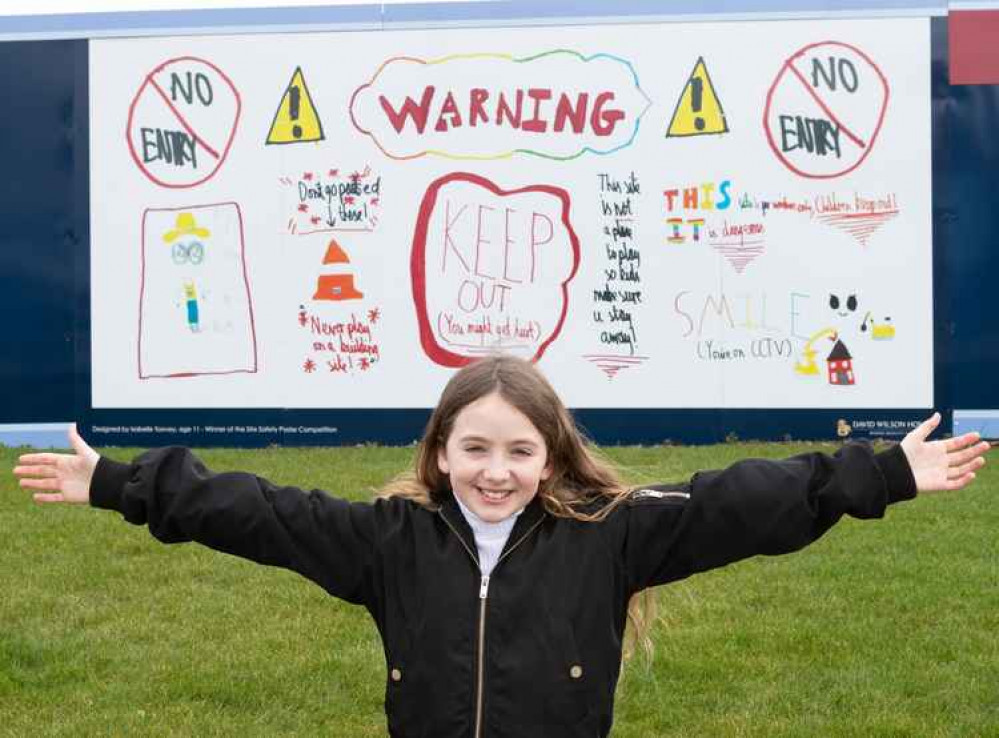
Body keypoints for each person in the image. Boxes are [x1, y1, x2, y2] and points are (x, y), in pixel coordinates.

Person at [13, 355, 989, 738]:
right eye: (474, 447)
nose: (495, 468)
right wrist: (115, 483)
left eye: (519, 449)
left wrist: (885, 475)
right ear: (440, 453)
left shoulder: (610, 534)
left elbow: (742, 501)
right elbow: (256, 509)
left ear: (550, 456)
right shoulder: (386, 542)